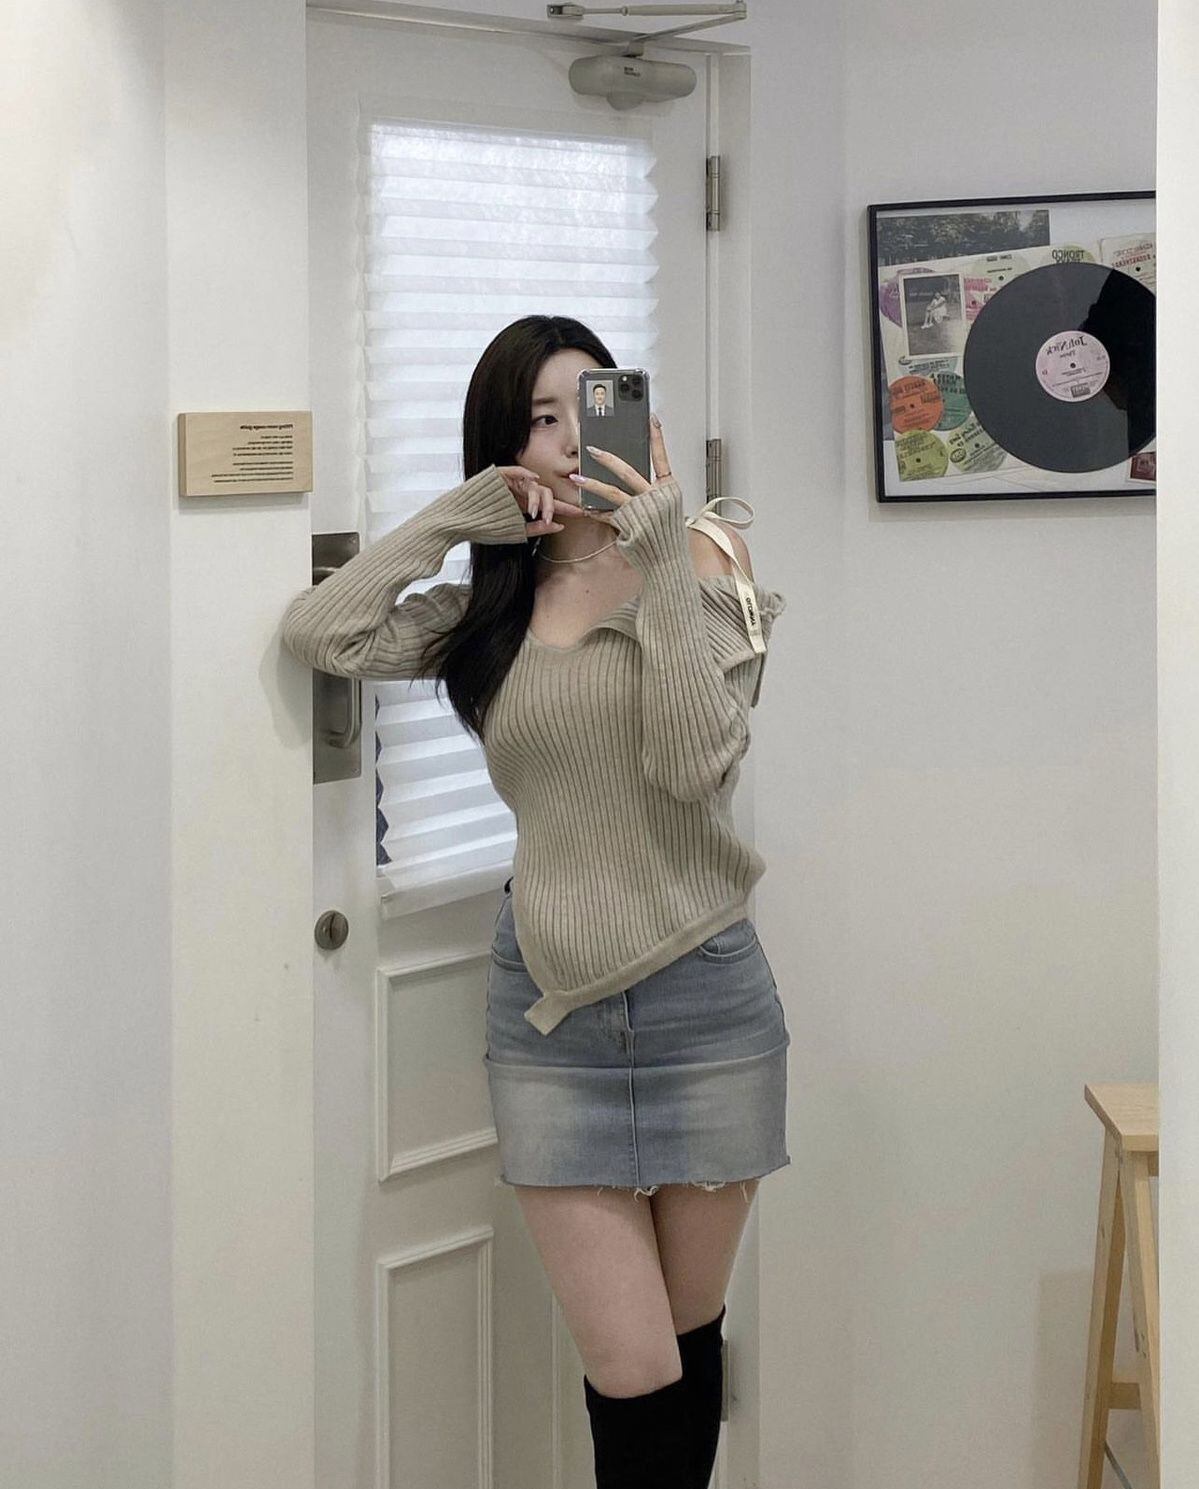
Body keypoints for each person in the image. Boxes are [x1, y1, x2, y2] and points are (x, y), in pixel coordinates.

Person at [280, 314, 789, 1488]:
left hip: (706, 1004)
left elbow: (694, 764)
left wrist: (660, 559)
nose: (566, 439)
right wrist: (456, 519)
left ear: (634, 418)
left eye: (587, 408)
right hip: (551, 1014)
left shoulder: (706, 560)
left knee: (685, 1341)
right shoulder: (495, 609)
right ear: (505, 446)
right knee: (629, 1361)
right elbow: (321, 632)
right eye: (537, 419)